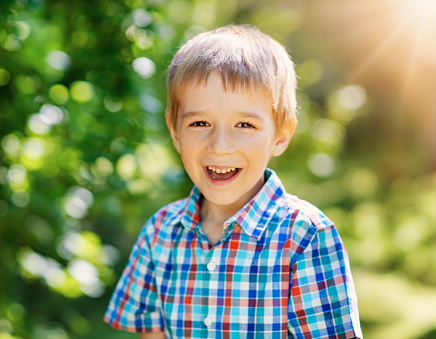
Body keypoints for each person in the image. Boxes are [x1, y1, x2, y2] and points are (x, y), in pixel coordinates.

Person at [104, 24, 363, 339]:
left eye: (245, 124)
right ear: (175, 131)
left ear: (281, 135)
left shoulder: (305, 237)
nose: (220, 145)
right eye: (200, 122)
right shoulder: (159, 234)